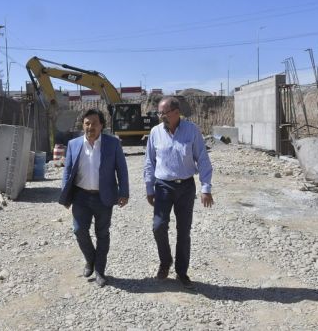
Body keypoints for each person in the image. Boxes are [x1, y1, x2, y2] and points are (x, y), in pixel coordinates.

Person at [143, 96, 213, 289]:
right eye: (159, 112)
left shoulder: (192, 131)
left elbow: (203, 160)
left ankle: (182, 272)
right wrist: (149, 187)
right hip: (163, 186)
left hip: (186, 187)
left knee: (184, 231)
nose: (160, 116)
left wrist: (206, 188)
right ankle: (165, 262)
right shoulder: (155, 132)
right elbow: (149, 162)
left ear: (176, 112)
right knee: (158, 226)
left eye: (163, 113)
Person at [59, 108, 129, 287]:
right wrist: (65, 195)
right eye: (87, 123)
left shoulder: (112, 144)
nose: (91, 127)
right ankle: (90, 260)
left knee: (102, 234)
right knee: (78, 230)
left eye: (94, 123)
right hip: (80, 196)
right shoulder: (74, 144)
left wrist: (124, 192)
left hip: (103, 197)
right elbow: (67, 172)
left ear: (102, 125)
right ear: (83, 125)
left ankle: (99, 270)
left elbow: (122, 169)